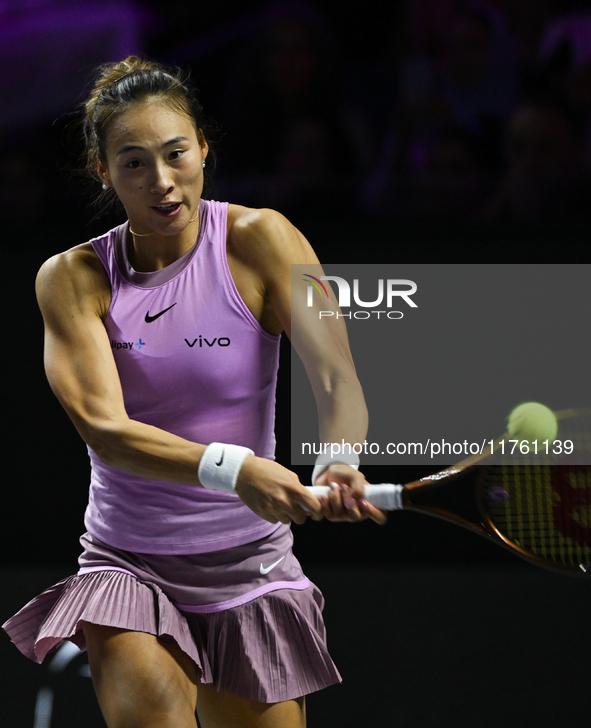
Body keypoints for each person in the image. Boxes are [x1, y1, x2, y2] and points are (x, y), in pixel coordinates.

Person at [2, 57, 384, 728]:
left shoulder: (265, 238)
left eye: (176, 153)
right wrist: (234, 469)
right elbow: (105, 429)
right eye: (134, 163)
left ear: (203, 146)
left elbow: (336, 377)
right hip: (130, 562)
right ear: (103, 171)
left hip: (250, 568)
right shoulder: (70, 278)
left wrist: (337, 459)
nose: (162, 181)